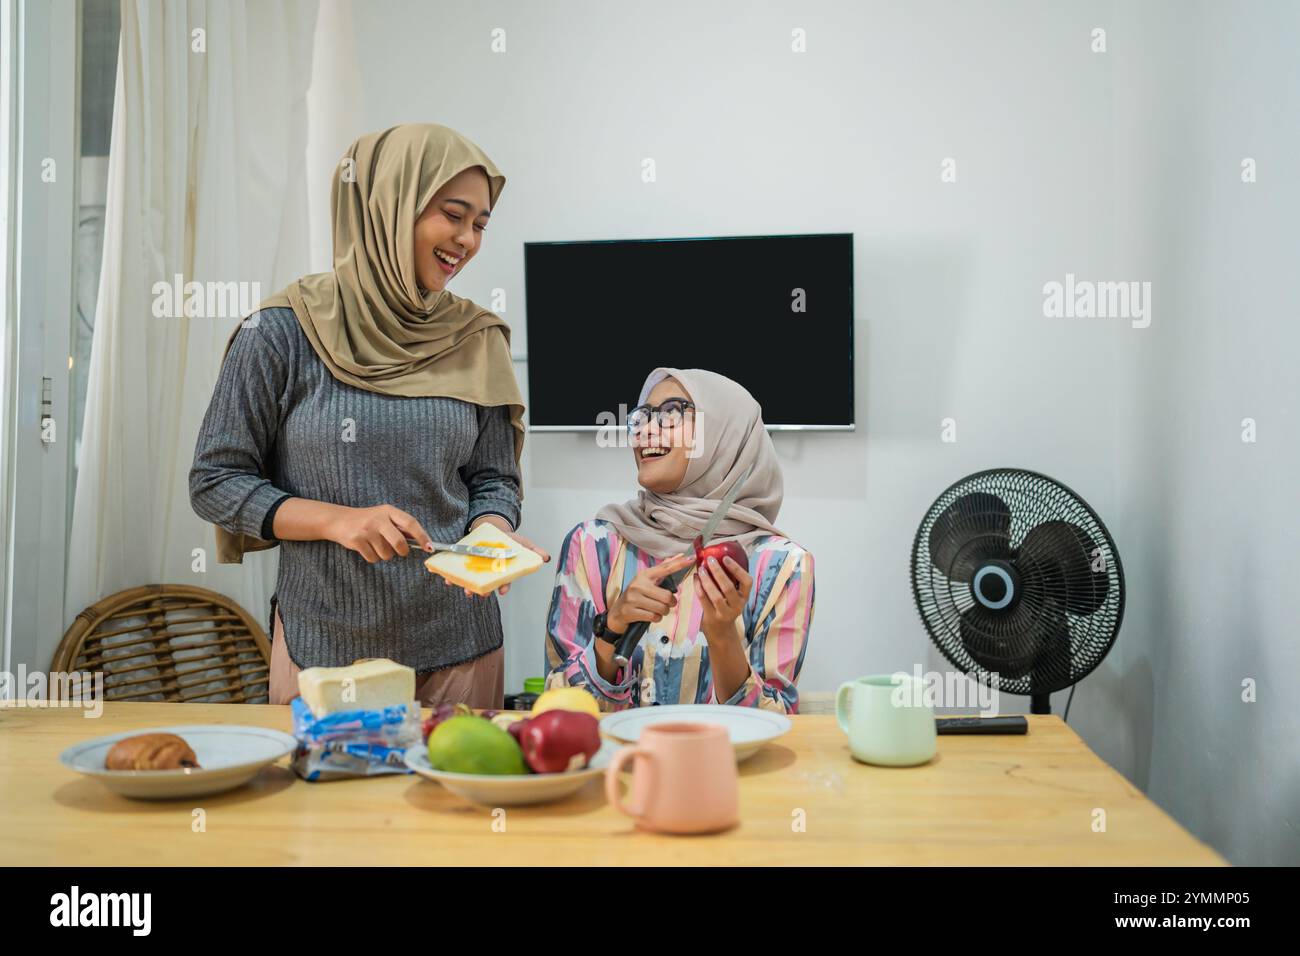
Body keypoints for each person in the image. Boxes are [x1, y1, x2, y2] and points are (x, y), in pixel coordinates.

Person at [190, 123, 548, 709]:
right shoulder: (282, 331)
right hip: (325, 653)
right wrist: (337, 521)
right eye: (452, 215)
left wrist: (491, 530)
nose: (467, 240)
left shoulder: (477, 337)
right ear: (387, 205)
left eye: (480, 224)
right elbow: (215, 481)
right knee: (324, 805)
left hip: (461, 649)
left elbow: (494, 479)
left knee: (458, 798)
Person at [544, 367, 814, 712]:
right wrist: (611, 630)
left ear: (725, 435)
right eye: (642, 416)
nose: (644, 430)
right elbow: (556, 711)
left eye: (672, 414)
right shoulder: (593, 545)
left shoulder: (783, 567)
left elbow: (775, 720)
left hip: (729, 766)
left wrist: (722, 634)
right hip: (619, 764)